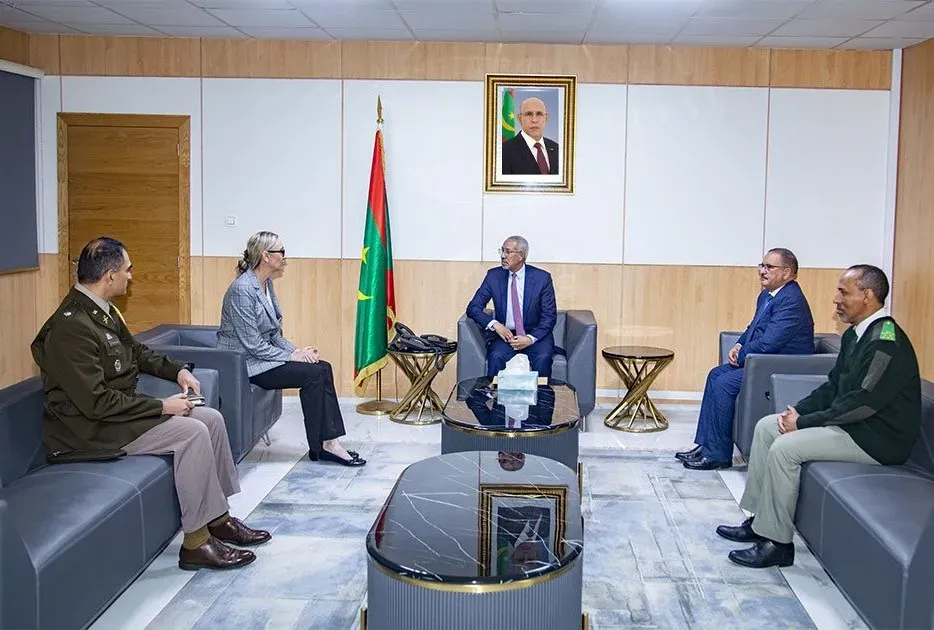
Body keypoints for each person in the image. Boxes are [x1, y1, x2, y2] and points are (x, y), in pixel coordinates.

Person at [31, 237, 269, 572]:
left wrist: (178, 371)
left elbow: (137, 353)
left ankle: (218, 519)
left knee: (211, 419)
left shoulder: (100, 310)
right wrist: (162, 407)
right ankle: (196, 543)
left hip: (117, 416)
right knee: (192, 433)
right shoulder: (71, 327)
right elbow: (96, 403)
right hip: (89, 431)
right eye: (127, 271)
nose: (131, 277)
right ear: (109, 276)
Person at [717, 265, 921, 568]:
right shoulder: (856, 335)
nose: (836, 299)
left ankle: (778, 544)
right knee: (767, 427)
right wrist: (798, 410)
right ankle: (760, 521)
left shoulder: (885, 342)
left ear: (867, 296)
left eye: (843, 292)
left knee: (786, 448)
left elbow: (862, 403)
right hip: (853, 426)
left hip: (875, 439)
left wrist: (803, 423)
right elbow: (833, 387)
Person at [217, 231, 365, 467]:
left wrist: (299, 352)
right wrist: (291, 356)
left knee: (322, 368)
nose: (284, 256)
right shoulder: (242, 290)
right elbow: (252, 344)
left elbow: (273, 334)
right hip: (246, 363)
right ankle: (323, 446)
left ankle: (328, 444)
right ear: (265, 256)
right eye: (281, 251)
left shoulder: (265, 283)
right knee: (314, 374)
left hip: (262, 357)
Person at [678, 248, 815, 470]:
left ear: (787, 272)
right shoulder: (767, 295)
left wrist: (741, 356)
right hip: (762, 361)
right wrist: (739, 344)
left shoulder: (791, 301)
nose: (763, 271)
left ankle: (718, 456)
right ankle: (707, 445)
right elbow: (753, 328)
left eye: (769, 267)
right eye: (762, 266)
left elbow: (770, 343)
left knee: (724, 383)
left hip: (780, 366)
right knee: (715, 374)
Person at [467, 235, 557, 378]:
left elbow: (549, 317)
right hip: (506, 335)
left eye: (508, 252)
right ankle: (494, 393)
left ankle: (542, 393)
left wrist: (530, 338)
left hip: (535, 335)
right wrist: (495, 324)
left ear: (521, 256)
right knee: (496, 356)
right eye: (502, 251)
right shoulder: (494, 276)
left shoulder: (542, 278)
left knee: (543, 358)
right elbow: (473, 308)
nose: (503, 256)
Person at [501, 97, 560, 176]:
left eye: (539, 114)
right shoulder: (504, 151)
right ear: (520, 119)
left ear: (546, 118)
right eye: (528, 114)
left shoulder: (557, 148)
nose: (534, 120)